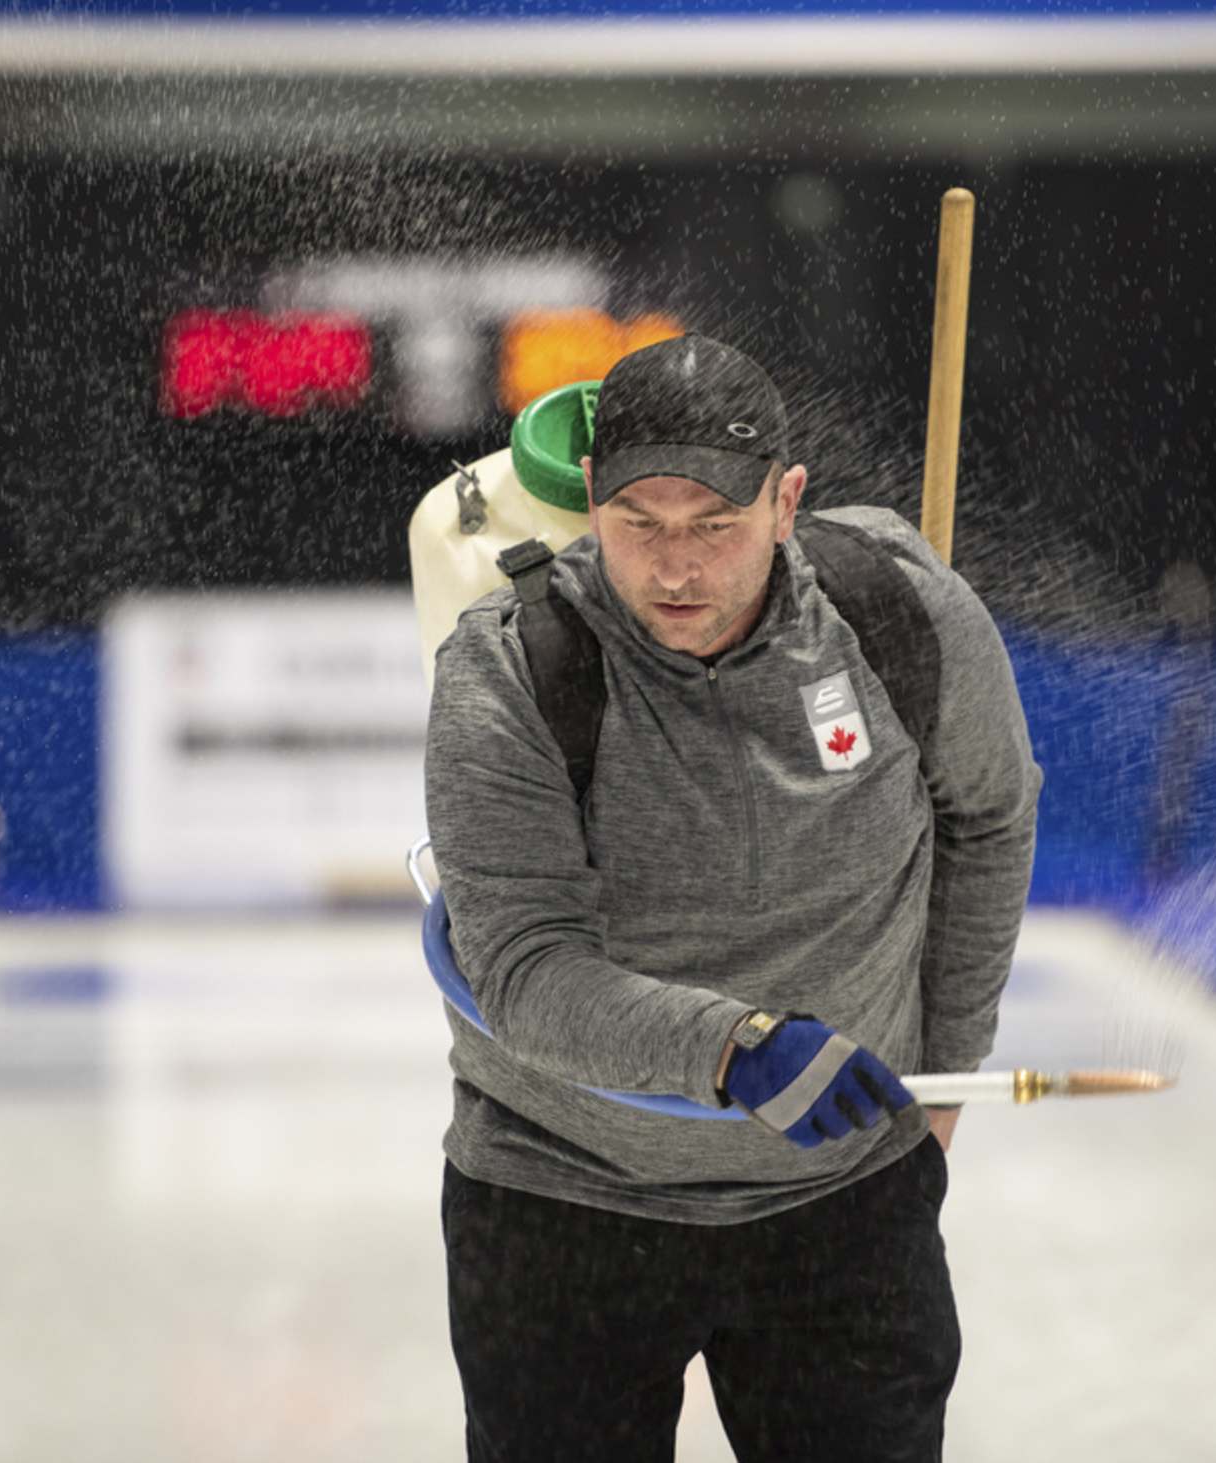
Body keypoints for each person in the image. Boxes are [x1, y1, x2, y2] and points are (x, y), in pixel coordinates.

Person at [424, 333, 1043, 1462]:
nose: (674, 568)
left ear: (786, 500)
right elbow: (520, 969)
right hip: (563, 1203)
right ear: (587, 506)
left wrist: (940, 1071)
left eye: (714, 524)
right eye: (637, 524)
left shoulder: (902, 615)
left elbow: (988, 818)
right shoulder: (510, 668)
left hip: (841, 1205)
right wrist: (737, 1047)